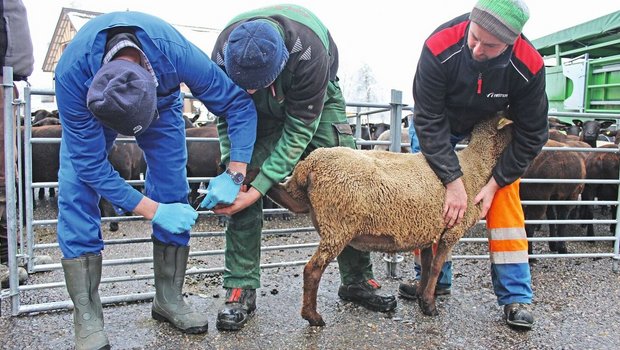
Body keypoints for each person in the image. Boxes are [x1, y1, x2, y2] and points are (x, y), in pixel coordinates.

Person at [54, 11, 257, 349]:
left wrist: (235, 173)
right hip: (93, 109)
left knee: (173, 186)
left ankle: (168, 298)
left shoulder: (174, 53)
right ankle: (87, 315)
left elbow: (238, 104)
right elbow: (90, 166)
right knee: (76, 191)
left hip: (160, 104)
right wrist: (151, 210)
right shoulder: (71, 75)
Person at [202, 4, 396, 331]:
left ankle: (357, 279)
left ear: (280, 65)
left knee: (346, 185)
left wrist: (263, 187)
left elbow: (298, 131)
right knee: (240, 182)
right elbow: (226, 115)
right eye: (244, 83)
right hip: (252, 111)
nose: (249, 89)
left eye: (256, 83)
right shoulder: (222, 54)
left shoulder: (308, 54)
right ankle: (240, 286)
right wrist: (234, 170)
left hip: (314, 97)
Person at [399, 0, 548, 330]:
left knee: (506, 200)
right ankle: (433, 280)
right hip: (440, 122)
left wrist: (495, 183)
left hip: (490, 127)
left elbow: (533, 131)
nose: (478, 48)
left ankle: (516, 296)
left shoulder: (529, 64)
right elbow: (427, 118)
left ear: (512, 43)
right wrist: (452, 181)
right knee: (432, 194)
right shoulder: (440, 45)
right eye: (474, 37)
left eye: (491, 45)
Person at [0, 0, 34, 282]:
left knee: (8, 171)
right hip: (3, 78)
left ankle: (9, 252)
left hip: (8, 80)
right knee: (1, 173)